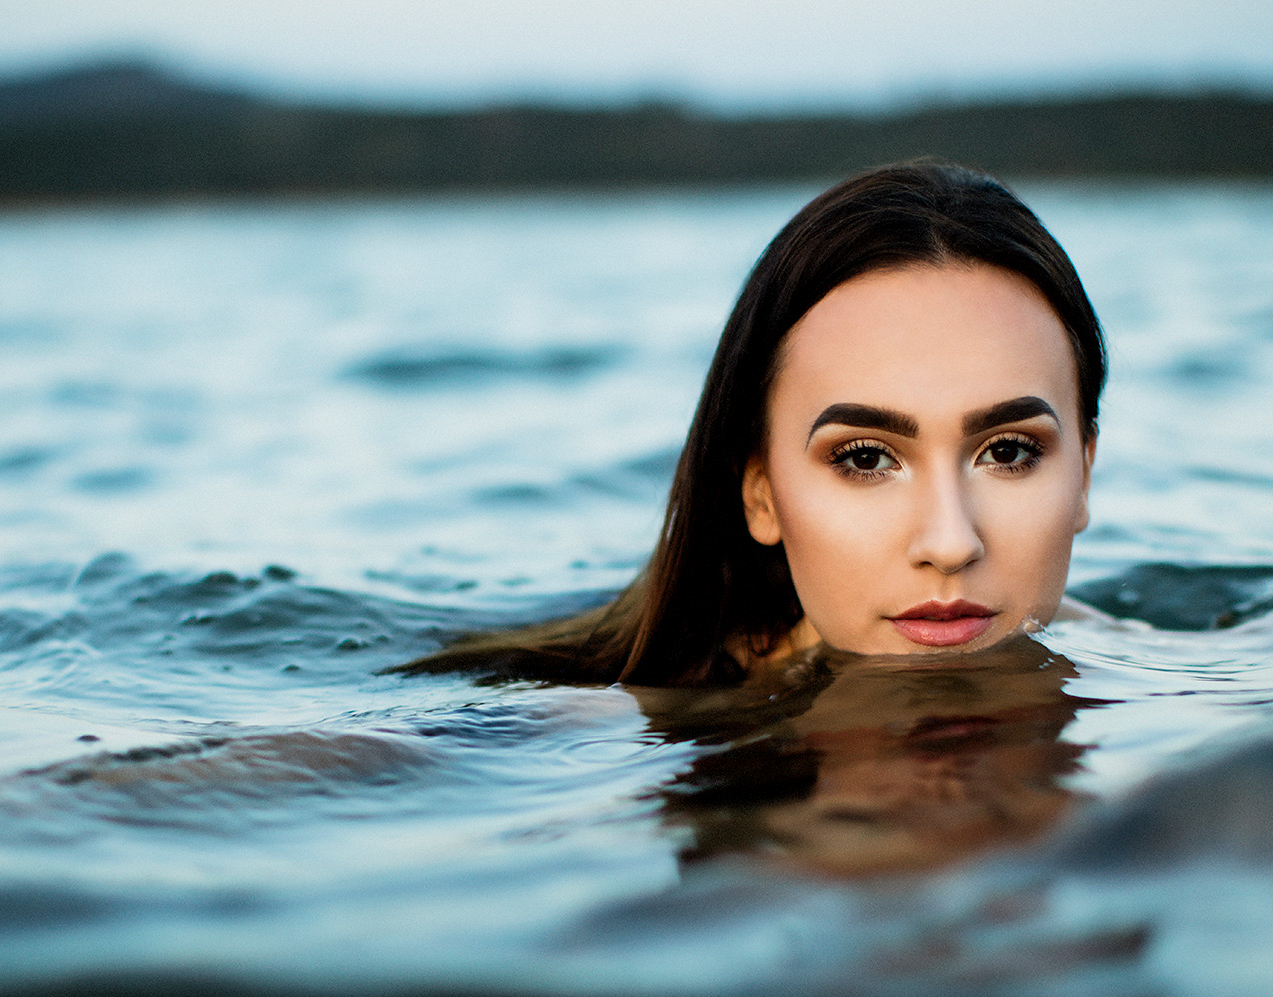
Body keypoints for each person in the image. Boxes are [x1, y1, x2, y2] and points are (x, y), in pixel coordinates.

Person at [406, 158, 1108, 687]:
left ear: (1084, 472)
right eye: (865, 458)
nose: (951, 544)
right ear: (761, 493)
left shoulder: (1148, 668)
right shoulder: (600, 724)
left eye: (1009, 450)